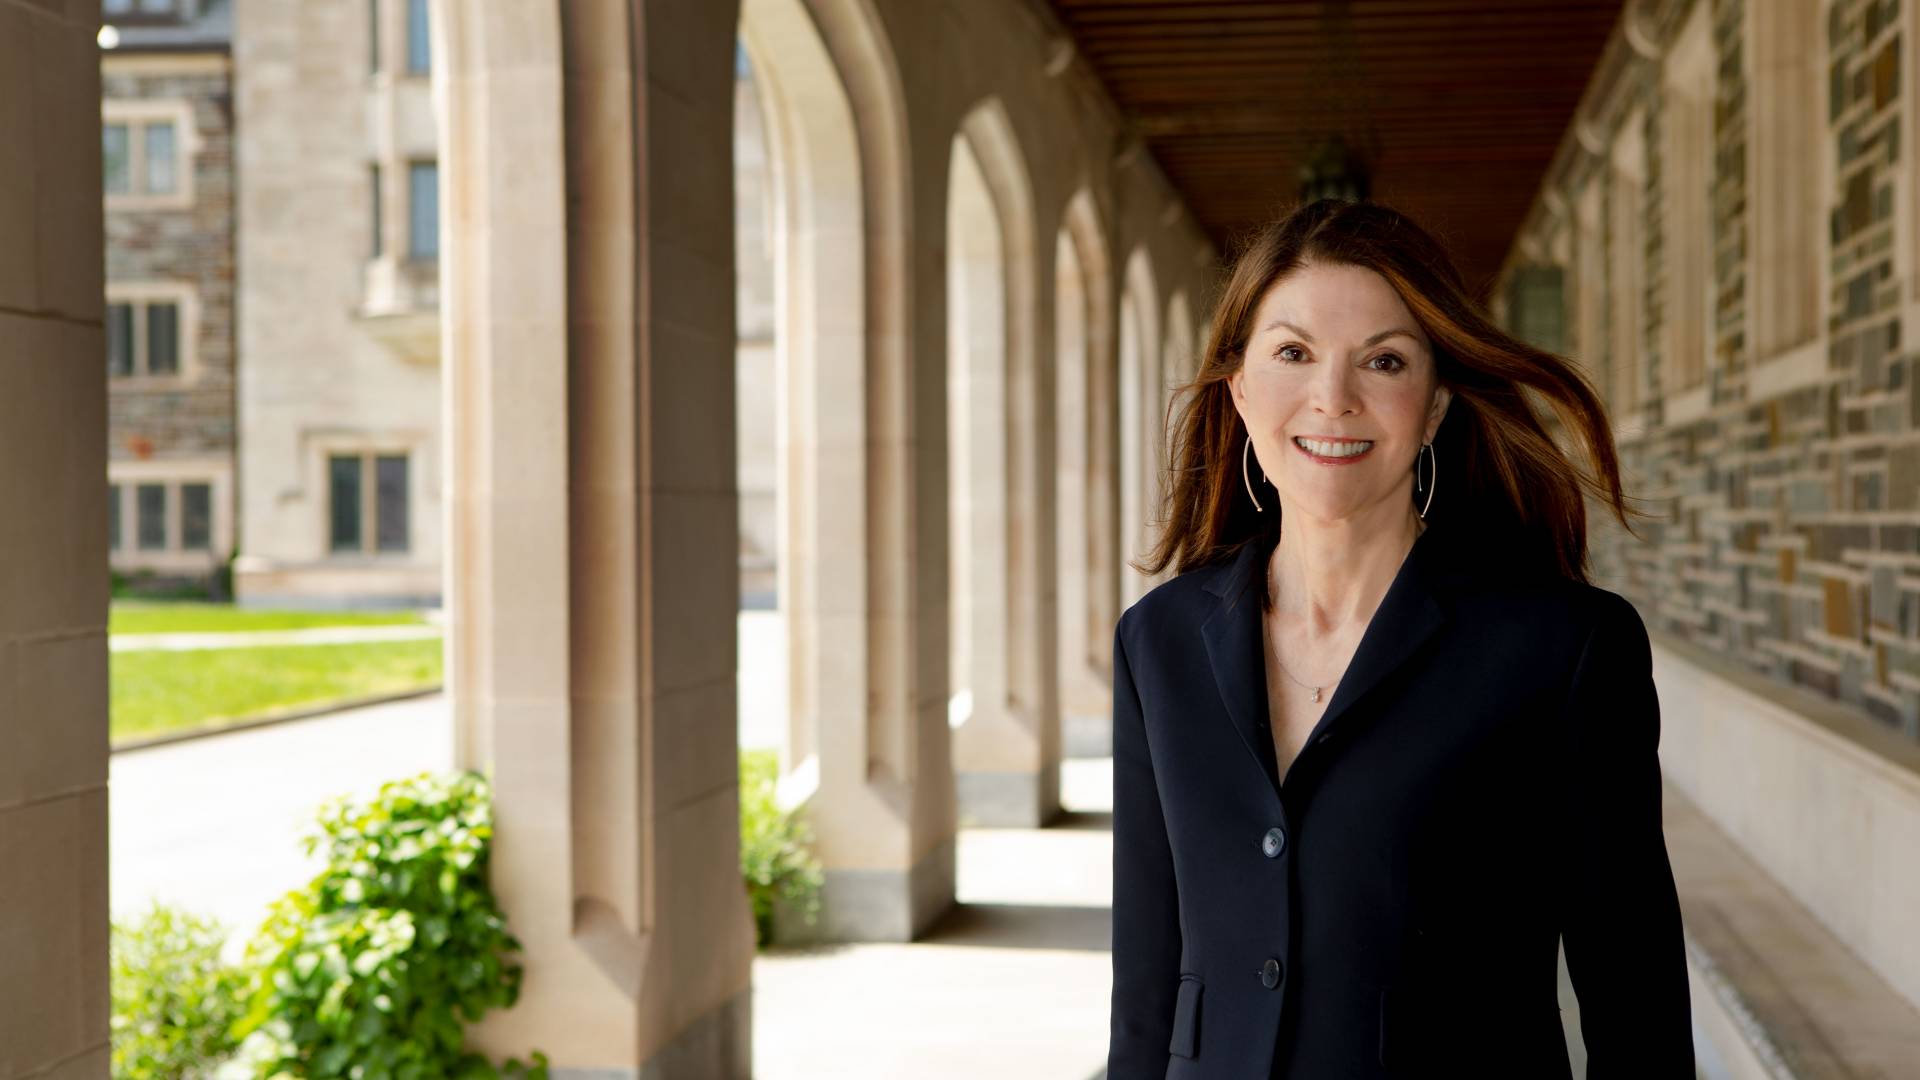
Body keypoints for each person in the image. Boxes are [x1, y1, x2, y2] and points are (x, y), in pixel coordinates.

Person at [1106, 198, 1694, 1079]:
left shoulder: (1564, 650)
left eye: (1383, 361)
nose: (1333, 398)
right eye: (1293, 353)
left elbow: (1634, 1002)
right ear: (1239, 390)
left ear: (1435, 406)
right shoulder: (1159, 643)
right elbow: (1148, 990)